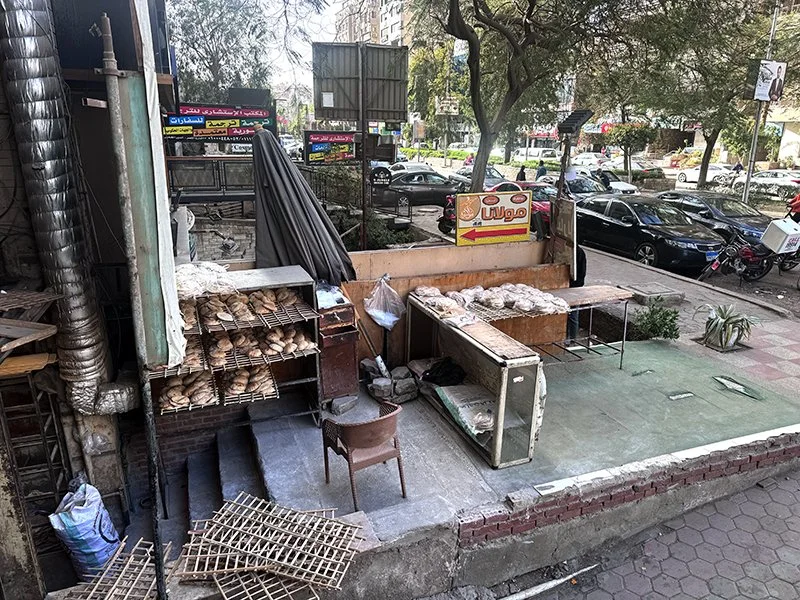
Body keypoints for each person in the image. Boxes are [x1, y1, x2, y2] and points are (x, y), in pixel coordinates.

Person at [567, 246, 587, 342]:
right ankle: (568, 338)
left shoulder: (578, 253)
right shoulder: (571, 251)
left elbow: (581, 273)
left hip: (575, 287)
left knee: (573, 314)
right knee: (570, 314)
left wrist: (574, 284)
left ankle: (572, 339)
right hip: (570, 286)